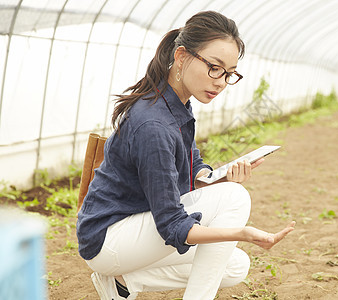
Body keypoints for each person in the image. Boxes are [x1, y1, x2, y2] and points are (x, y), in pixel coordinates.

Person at [76, 10, 295, 300]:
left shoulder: (177, 104)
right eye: (214, 67)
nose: (220, 81)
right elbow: (172, 225)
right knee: (235, 198)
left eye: (229, 74)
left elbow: (192, 168)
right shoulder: (153, 124)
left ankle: (123, 283)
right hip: (109, 237)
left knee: (235, 265)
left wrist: (219, 177)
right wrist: (240, 233)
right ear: (182, 56)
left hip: (135, 227)